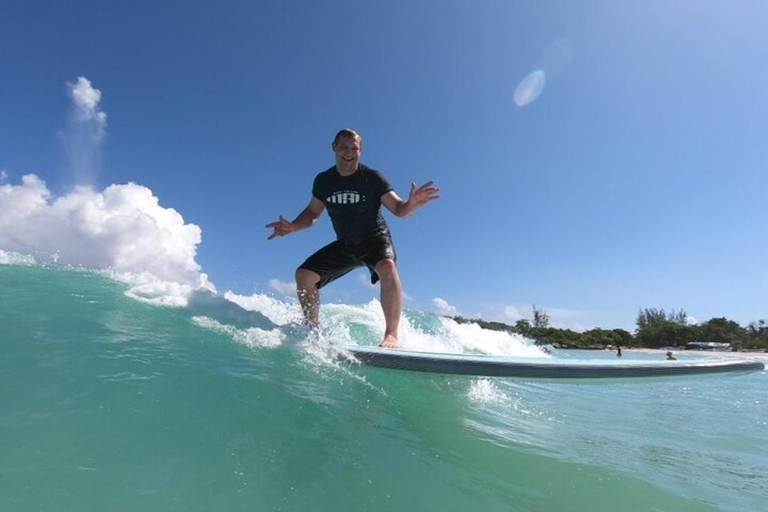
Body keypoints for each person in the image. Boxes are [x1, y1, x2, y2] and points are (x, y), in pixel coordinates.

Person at [266, 129, 439, 348]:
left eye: (354, 148)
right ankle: (313, 332)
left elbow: (398, 209)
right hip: (346, 244)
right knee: (304, 275)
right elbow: (312, 213)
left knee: (387, 267)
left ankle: (391, 335)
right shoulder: (324, 181)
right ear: (334, 147)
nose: (349, 152)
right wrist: (292, 226)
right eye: (344, 147)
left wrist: (411, 204)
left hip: (375, 239)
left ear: (361, 151)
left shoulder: (373, 178)